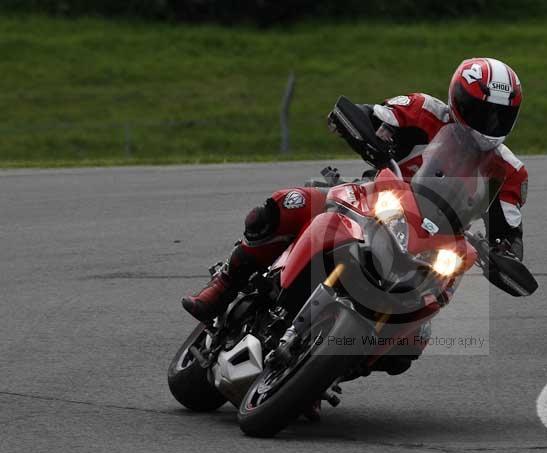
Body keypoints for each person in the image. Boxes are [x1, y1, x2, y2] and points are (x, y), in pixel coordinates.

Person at [182, 56, 529, 342]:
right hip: (377, 203)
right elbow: (370, 116)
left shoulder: (509, 171)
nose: (491, 122)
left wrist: (501, 256)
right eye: (481, 110)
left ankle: (318, 375)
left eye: (501, 115)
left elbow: (509, 237)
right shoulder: (424, 110)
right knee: (287, 205)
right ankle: (225, 283)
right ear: (459, 99)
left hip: (430, 247)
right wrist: (367, 133)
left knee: (411, 342)